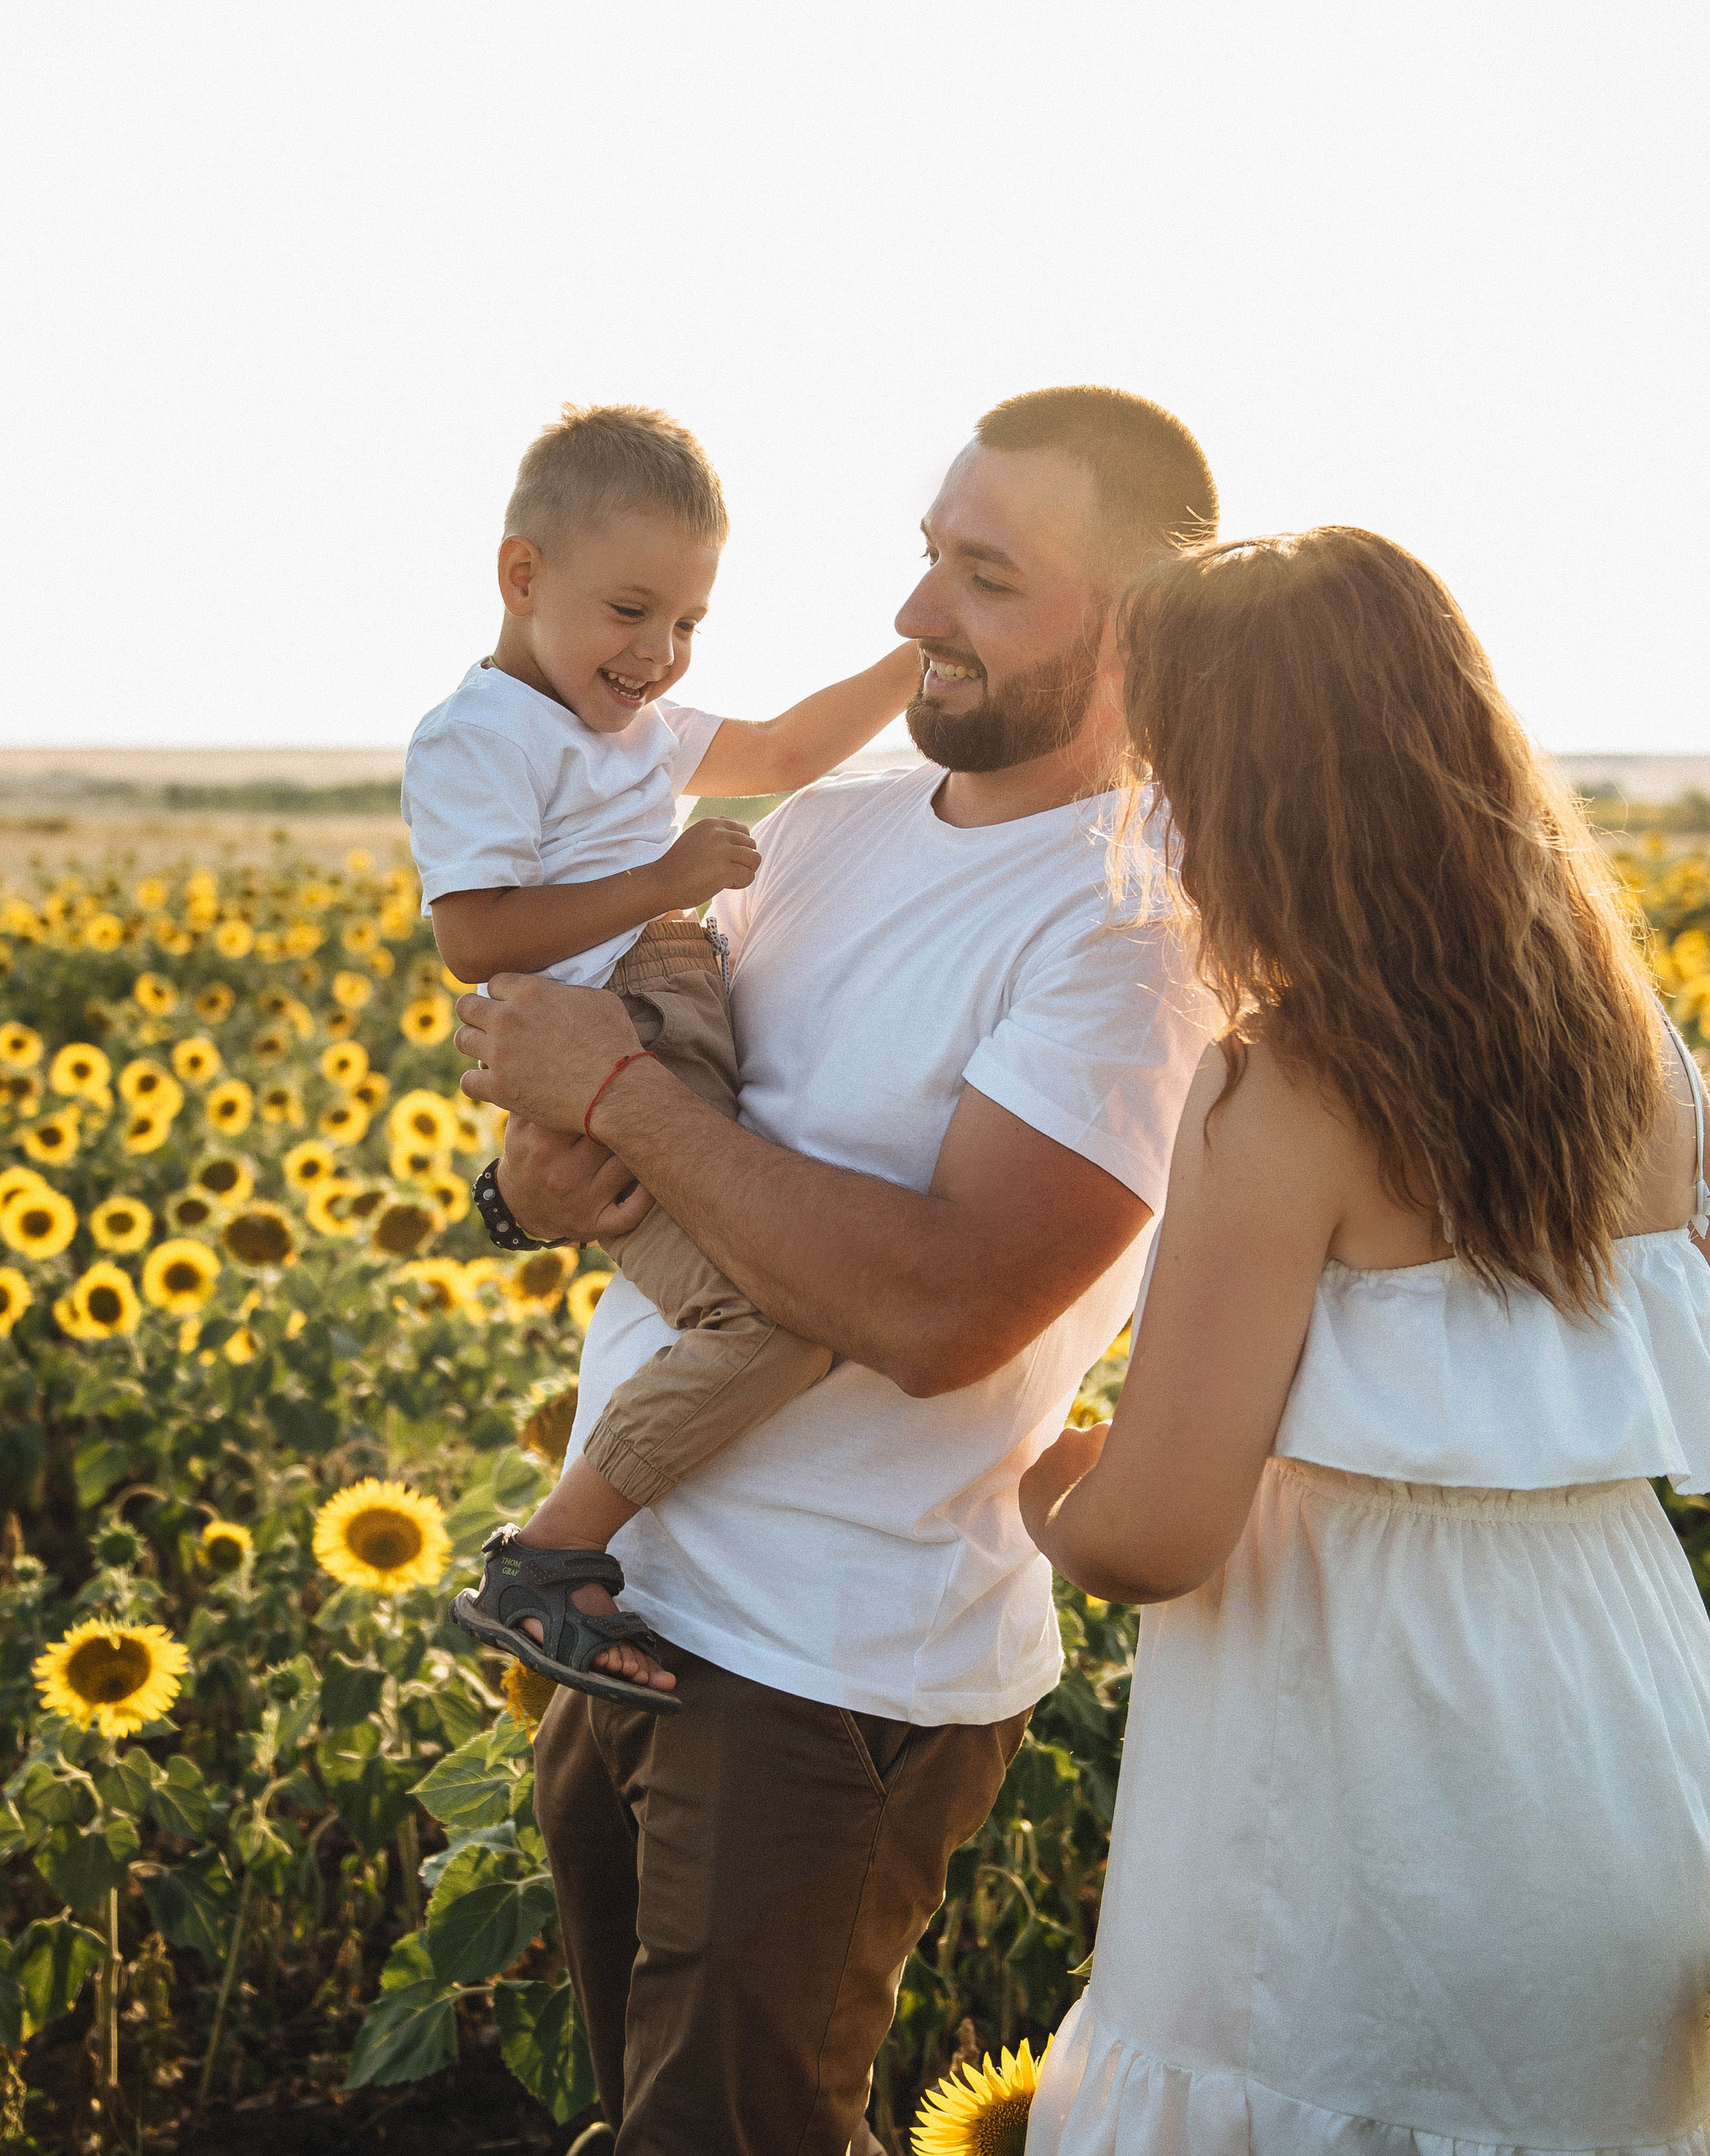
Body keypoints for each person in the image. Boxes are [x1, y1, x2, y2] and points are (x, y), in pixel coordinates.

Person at [450, 386, 1218, 2155]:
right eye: (925, 556)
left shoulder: (1134, 922)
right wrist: (551, 1156)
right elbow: (597, 1090)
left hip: (826, 1670)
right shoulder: (833, 820)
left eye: (982, 575)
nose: (914, 615)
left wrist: (626, 1105)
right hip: (627, 1606)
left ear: (1140, 626)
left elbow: (941, 1308)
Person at [1021, 527, 1710, 2153]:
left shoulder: (1286, 1090)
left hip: (1370, 1781)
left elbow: (1155, 1534)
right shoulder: (1637, 1050)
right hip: (1625, 1723)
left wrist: (1019, 1472)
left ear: (1238, 793)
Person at [401, 402, 920, 1710]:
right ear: (524, 577)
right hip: (612, 1049)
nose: (661, 655)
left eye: (689, 624)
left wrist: (913, 656)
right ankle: (553, 1550)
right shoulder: (479, 736)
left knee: (797, 1278)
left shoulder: (637, 731)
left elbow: (792, 752)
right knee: (784, 1308)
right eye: (631, 611)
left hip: (667, 1016)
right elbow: (474, 939)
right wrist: (660, 880)